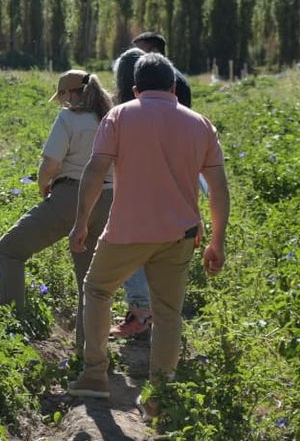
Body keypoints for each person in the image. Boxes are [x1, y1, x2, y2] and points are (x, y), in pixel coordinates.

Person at [67, 53, 229, 417]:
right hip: (180, 234)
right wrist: (217, 240)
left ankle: (94, 375)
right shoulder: (200, 124)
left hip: (127, 230)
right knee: (169, 311)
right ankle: (160, 394)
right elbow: (218, 188)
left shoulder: (120, 116)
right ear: (174, 86)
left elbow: (95, 173)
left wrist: (80, 223)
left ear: (136, 89)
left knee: (96, 290)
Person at [0, 70, 113, 350]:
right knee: (90, 281)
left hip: (72, 196)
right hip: (109, 200)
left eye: (62, 96)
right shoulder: (112, 118)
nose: (62, 102)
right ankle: (90, 355)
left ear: (71, 94)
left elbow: (51, 164)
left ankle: (13, 334)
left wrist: (43, 185)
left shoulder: (69, 118)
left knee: (9, 250)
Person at [110, 43, 195, 340]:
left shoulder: (129, 110)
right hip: (178, 181)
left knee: (133, 243)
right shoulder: (176, 88)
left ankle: (142, 313)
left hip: (150, 184)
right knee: (166, 247)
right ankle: (160, 317)